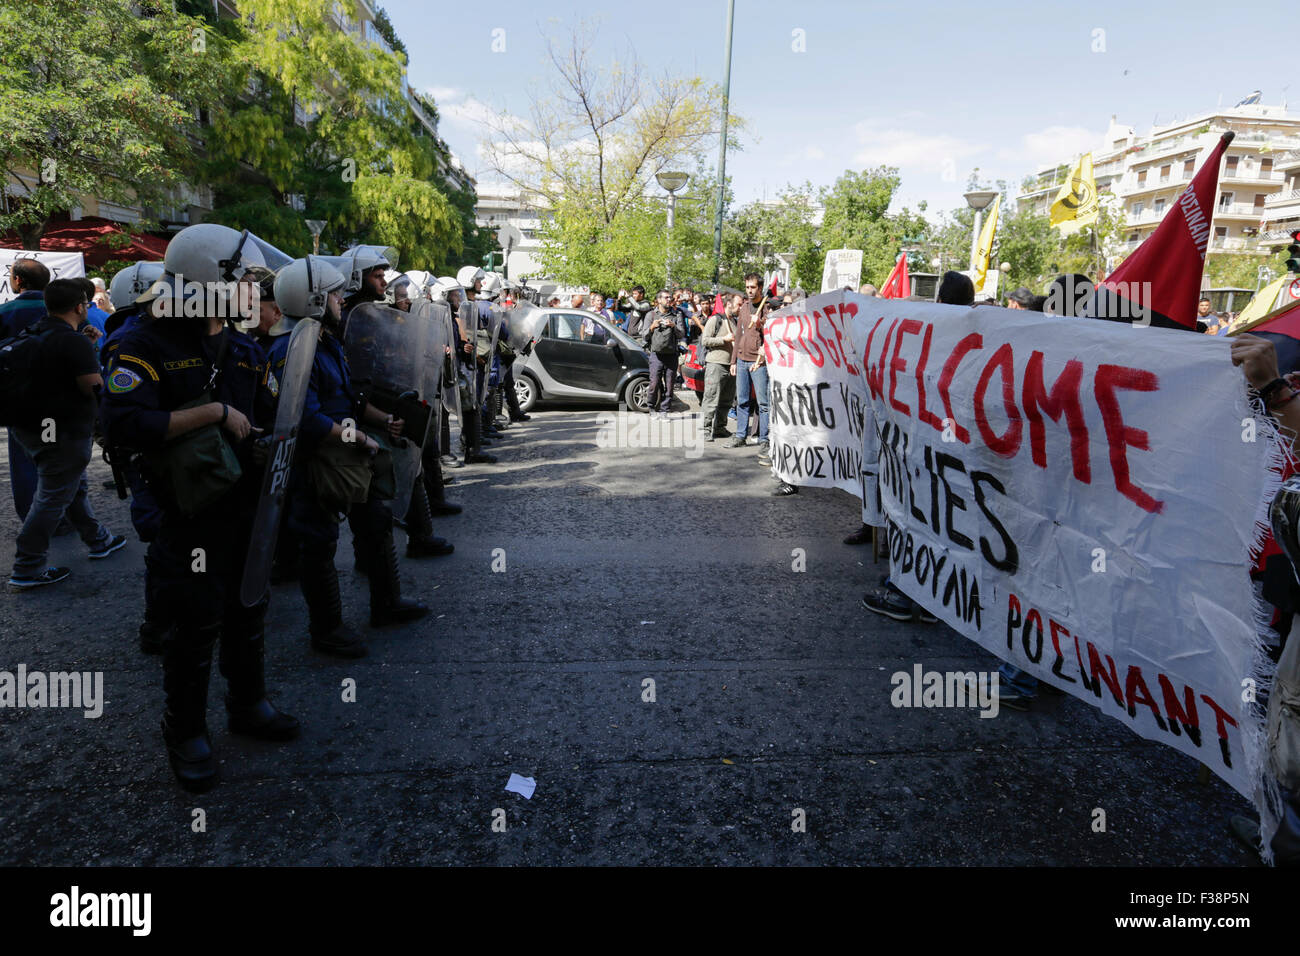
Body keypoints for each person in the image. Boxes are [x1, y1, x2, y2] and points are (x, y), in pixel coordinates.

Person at [102, 222, 300, 792]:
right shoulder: (141, 341)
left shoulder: (237, 342)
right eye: (243, 280)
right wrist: (212, 413)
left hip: (243, 503)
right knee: (194, 623)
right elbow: (124, 425)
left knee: (247, 607)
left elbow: (264, 412)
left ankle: (248, 705)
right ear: (211, 280)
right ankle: (185, 732)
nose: (254, 291)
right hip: (186, 512)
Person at [274, 256, 430, 661]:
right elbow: (305, 417)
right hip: (317, 461)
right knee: (318, 542)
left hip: (347, 452)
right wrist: (357, 436)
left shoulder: (325, 340)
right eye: (333, 295)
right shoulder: (294, 346)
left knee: (376, 521)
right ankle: (326, 629)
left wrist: (382, 421)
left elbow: (350, 397)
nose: (341, 300)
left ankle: (387, 603)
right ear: (311, 299)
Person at [8, 278, 126, 589]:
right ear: (79, 306)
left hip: (30, 428)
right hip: (64, 430)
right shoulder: (70, 341)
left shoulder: (36, 331)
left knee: (71, 485)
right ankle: (27, 566)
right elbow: (91, 385)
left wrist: (84, 346)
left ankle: (99, 540)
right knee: (53, 495)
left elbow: (52, 371)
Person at [0, 258, 51, 520]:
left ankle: (34, 517)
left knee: (24, 459)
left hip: (19, 403)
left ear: (18, 280)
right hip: (60, 400)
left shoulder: (5, 312)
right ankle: (63, 514)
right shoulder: (63, 309)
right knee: (58, 457)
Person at [727, 273, 773, 449]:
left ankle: (764, 438)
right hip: (741, 359)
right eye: (747, 287)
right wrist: (733, 361)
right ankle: (740, 436)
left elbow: (771, 334)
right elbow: (738, 334)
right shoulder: (744, 307)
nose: (749, 290)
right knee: (742, 400)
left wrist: (760, 322)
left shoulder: (766, 309)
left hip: (758, 362)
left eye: (753, 287)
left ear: (760, 288)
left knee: (763, 403)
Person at [698, 293, 739, 442]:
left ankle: (720, 427)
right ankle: (705, 429)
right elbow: (705, 341)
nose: (740, 308)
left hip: (731, 366)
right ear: (729, 304)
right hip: (716, 364)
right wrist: (723, 339)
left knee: (726, 400)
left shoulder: (734, 321)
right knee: (711, 397)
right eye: (738, 305)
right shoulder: (715, 320)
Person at [641, 289, 685, 418]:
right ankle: (651, 407)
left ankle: (665, 410)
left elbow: (682, 334)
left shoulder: (676, 315)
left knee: (670, 384)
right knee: (654, 383)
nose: (669, 300)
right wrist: (652, 327)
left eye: (670, 298)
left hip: (672, 354)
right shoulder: (651, 315)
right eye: (666, 297)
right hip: (656, 355)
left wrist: (673, 326)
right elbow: (644, 336)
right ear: (659, 300)